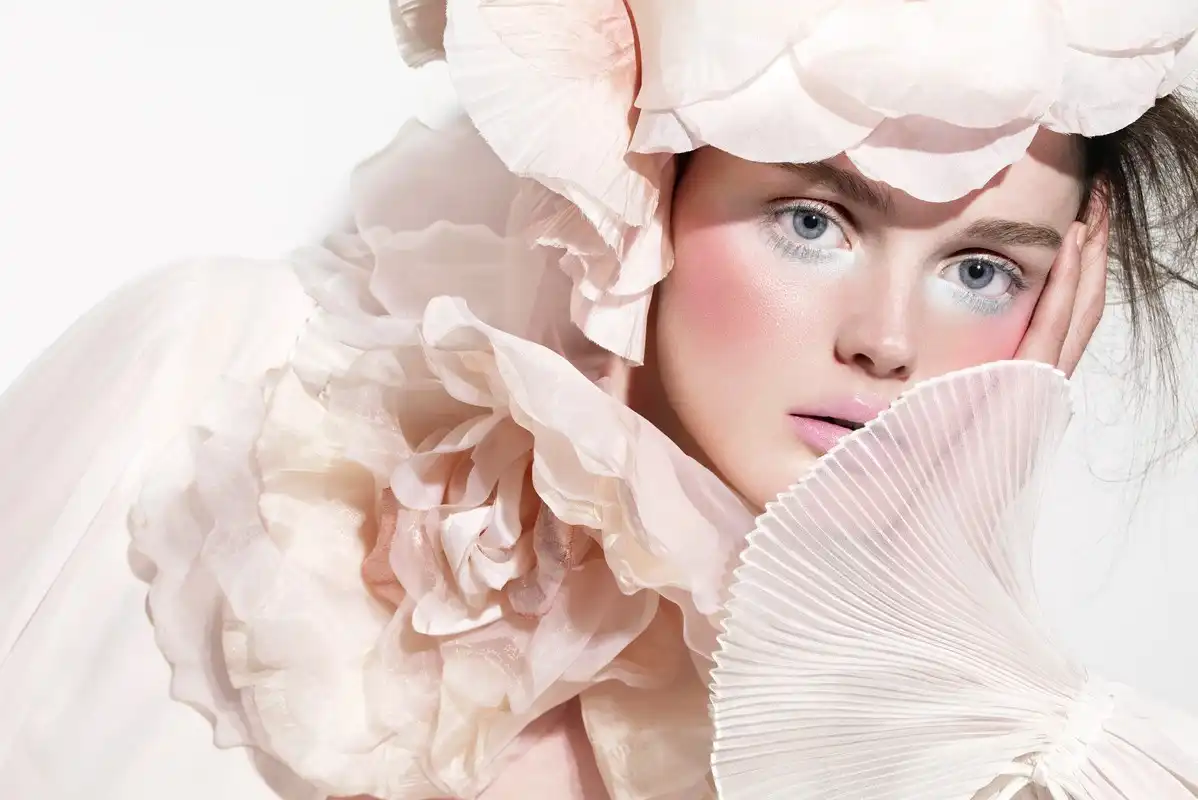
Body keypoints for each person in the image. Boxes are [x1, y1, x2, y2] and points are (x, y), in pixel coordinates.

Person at [2, 2, 1197, 798]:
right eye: (811, 220)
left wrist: (964, 641)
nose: (885, 342)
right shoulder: (208, 364)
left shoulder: (923, 738)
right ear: (644, 190)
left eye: (981, 271)